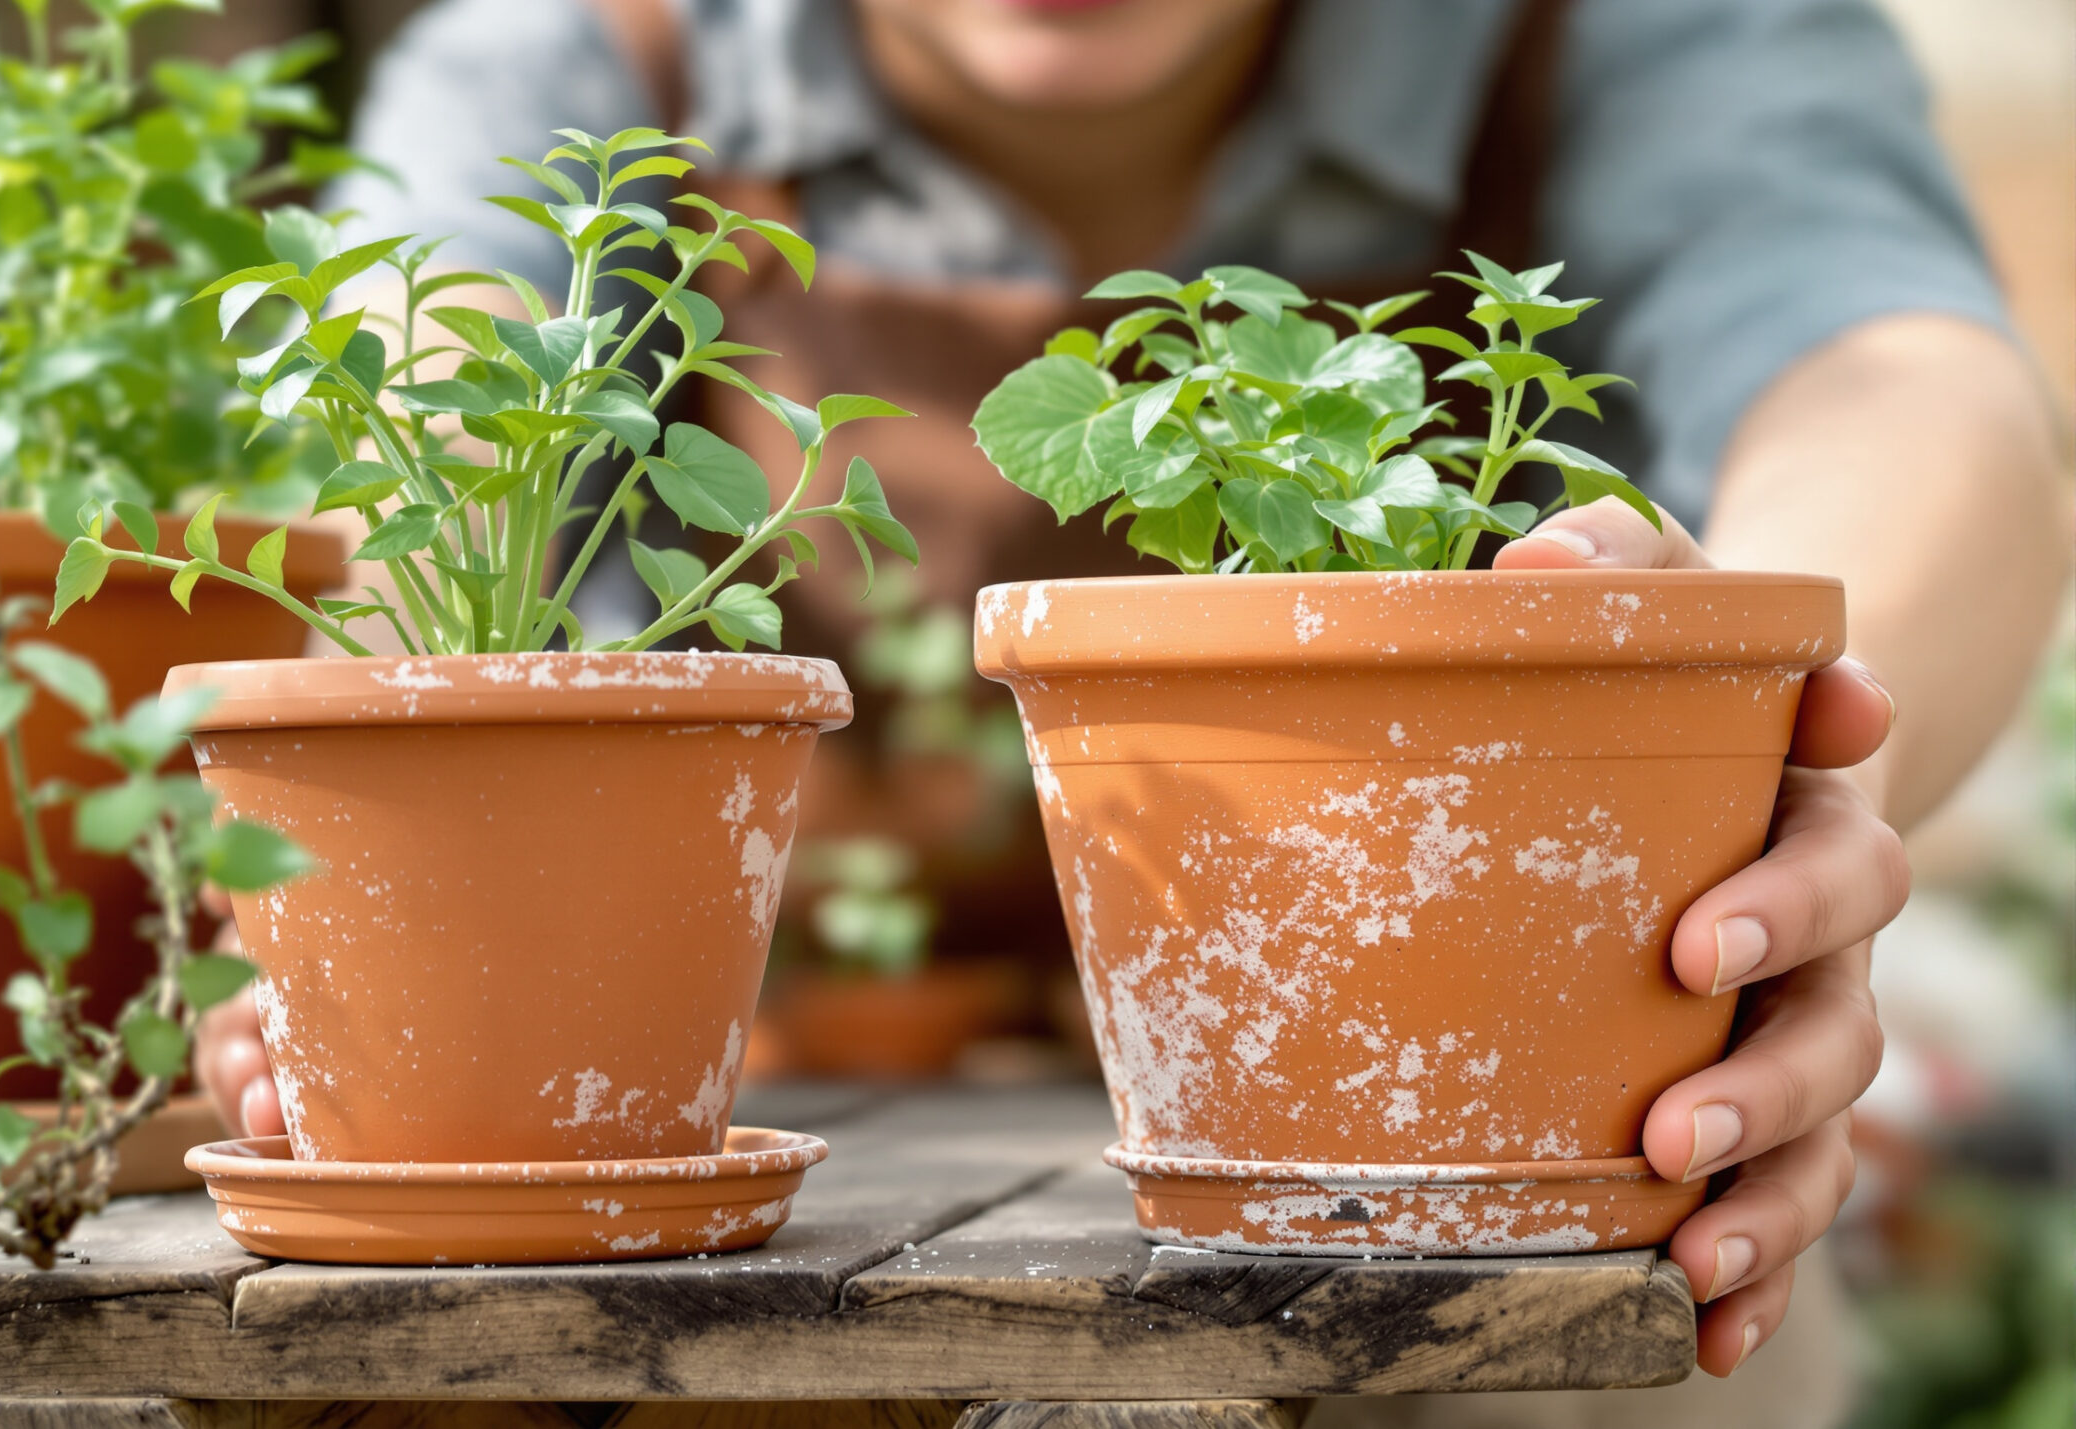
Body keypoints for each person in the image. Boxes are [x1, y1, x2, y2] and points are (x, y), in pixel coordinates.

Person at [195, 2, 2074, 1421]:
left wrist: (1795, 775)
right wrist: (349, 850)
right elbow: (410, 432)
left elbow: (1902, 383)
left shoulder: (1606, 34)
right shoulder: (591, 53)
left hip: (1472, 1175)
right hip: (755, 1177)